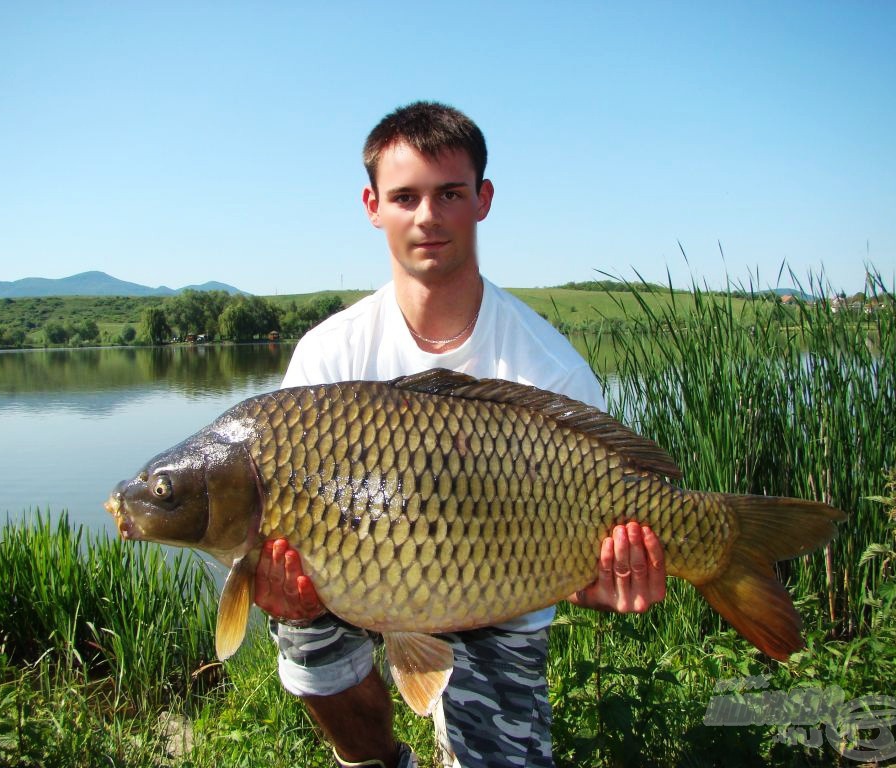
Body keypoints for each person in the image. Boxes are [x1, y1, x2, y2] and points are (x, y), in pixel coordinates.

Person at [253, 101, 667, 768]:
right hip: (356, 577)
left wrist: (607, 573)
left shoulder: (548, 367)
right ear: (372, 205)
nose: (427, 216)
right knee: (303, 633)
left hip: (498, 586)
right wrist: (276, 582)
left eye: (449, 193)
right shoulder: (328, 356)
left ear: (483, 199)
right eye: (405, 196)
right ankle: (377, 760)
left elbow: (618, 506)